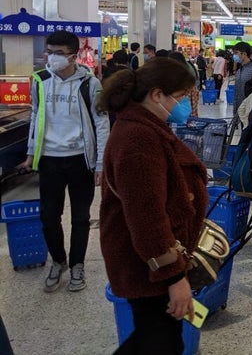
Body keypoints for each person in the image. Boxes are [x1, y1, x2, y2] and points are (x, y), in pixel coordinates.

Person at [97, 58, 207, 354]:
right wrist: (173, 277)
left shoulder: (145, 127)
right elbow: (148, 218)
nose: (184, 105)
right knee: (160, 342)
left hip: (148, 262)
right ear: (157, 95)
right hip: (147, 267)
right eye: (181, 97)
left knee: (155, 337)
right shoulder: (138, 139)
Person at [16, 30, 110, 293]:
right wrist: (31, 153)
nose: (53, 58)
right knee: (49, 217)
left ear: (74, 56)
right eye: (50, 52)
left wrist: (101, 163)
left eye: (60, 53)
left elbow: (102, 124)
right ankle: (58, 261)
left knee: (80, 217)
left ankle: (77, 264)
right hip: (49, 160)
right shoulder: (39, 80)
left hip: (81, 159)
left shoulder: (90, 84)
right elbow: (36, 116)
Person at [168, 52, 199, 117]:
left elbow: (192, 103)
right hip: (180, 117)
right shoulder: (171, 79)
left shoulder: (186, 80)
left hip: (183, 118)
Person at [233, 42, 252, 113]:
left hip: (249, 109)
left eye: (236, 53)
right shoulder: (239, 70)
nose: (234, 56)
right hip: (239, 108)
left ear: (244, 54)